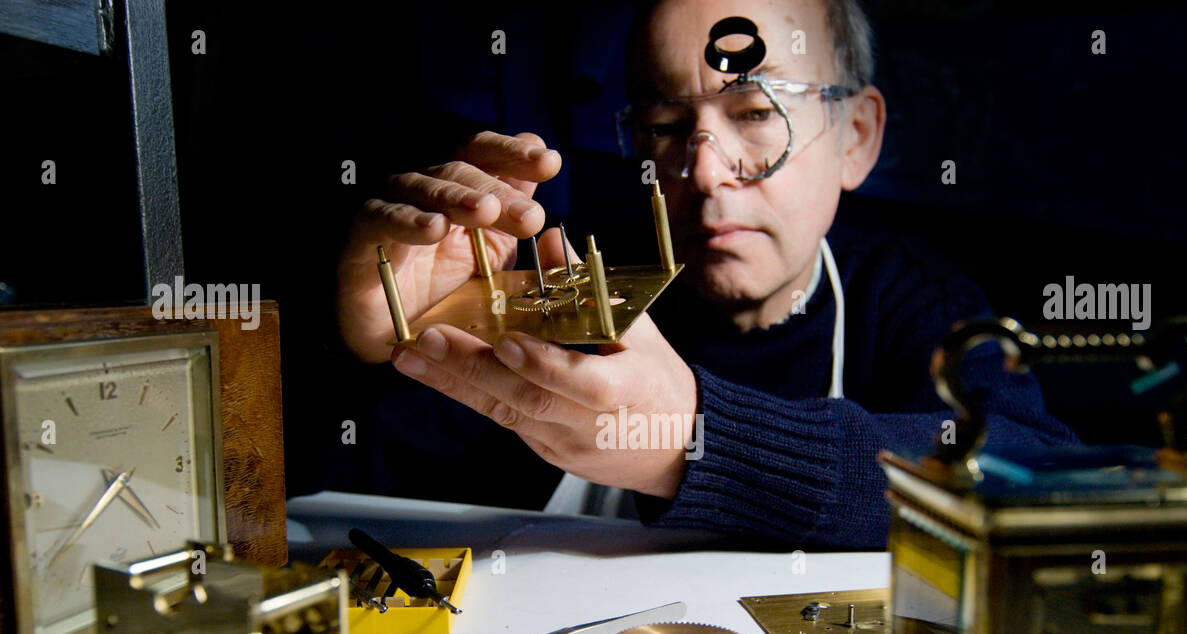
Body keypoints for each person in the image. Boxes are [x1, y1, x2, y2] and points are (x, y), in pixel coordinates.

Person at [334, 0, 1076, 548]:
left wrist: (692, 439)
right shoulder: (570, 286)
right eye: (663, 127)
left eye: (755, 112)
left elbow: (1039, 477)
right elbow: (347, 512)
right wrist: (383, 346)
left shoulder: (917, 304)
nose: (706, 171)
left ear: (856, 137)